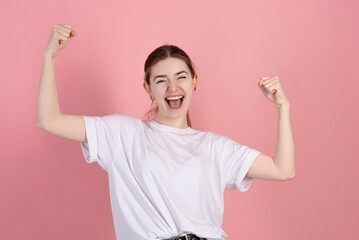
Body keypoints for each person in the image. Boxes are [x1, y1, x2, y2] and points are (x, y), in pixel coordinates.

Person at [37, 24, 296, 240]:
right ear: (148, 88)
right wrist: (49, 56)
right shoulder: (122, 134)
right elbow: (49, 120)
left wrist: (282, 107)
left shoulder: (215, 147)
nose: (172, 87)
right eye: (161, 80)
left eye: (181, 77)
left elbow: (282, 169)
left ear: (194, 81)